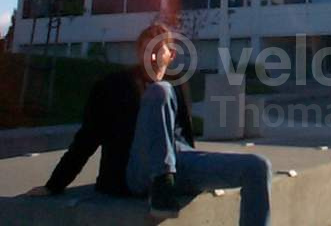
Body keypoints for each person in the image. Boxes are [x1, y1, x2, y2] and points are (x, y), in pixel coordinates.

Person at [26, 20, 272, 226]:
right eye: (146, 50)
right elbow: (87, 138)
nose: (152, 57)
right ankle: (162, 184)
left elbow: (183, 135)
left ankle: (166, 182)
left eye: (158, 51)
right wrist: (54, 185)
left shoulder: (178, 84)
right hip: (135, 171)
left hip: (179, 162)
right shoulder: (114, 85)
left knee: (257, 167)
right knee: (159, 91)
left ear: (171, 55)